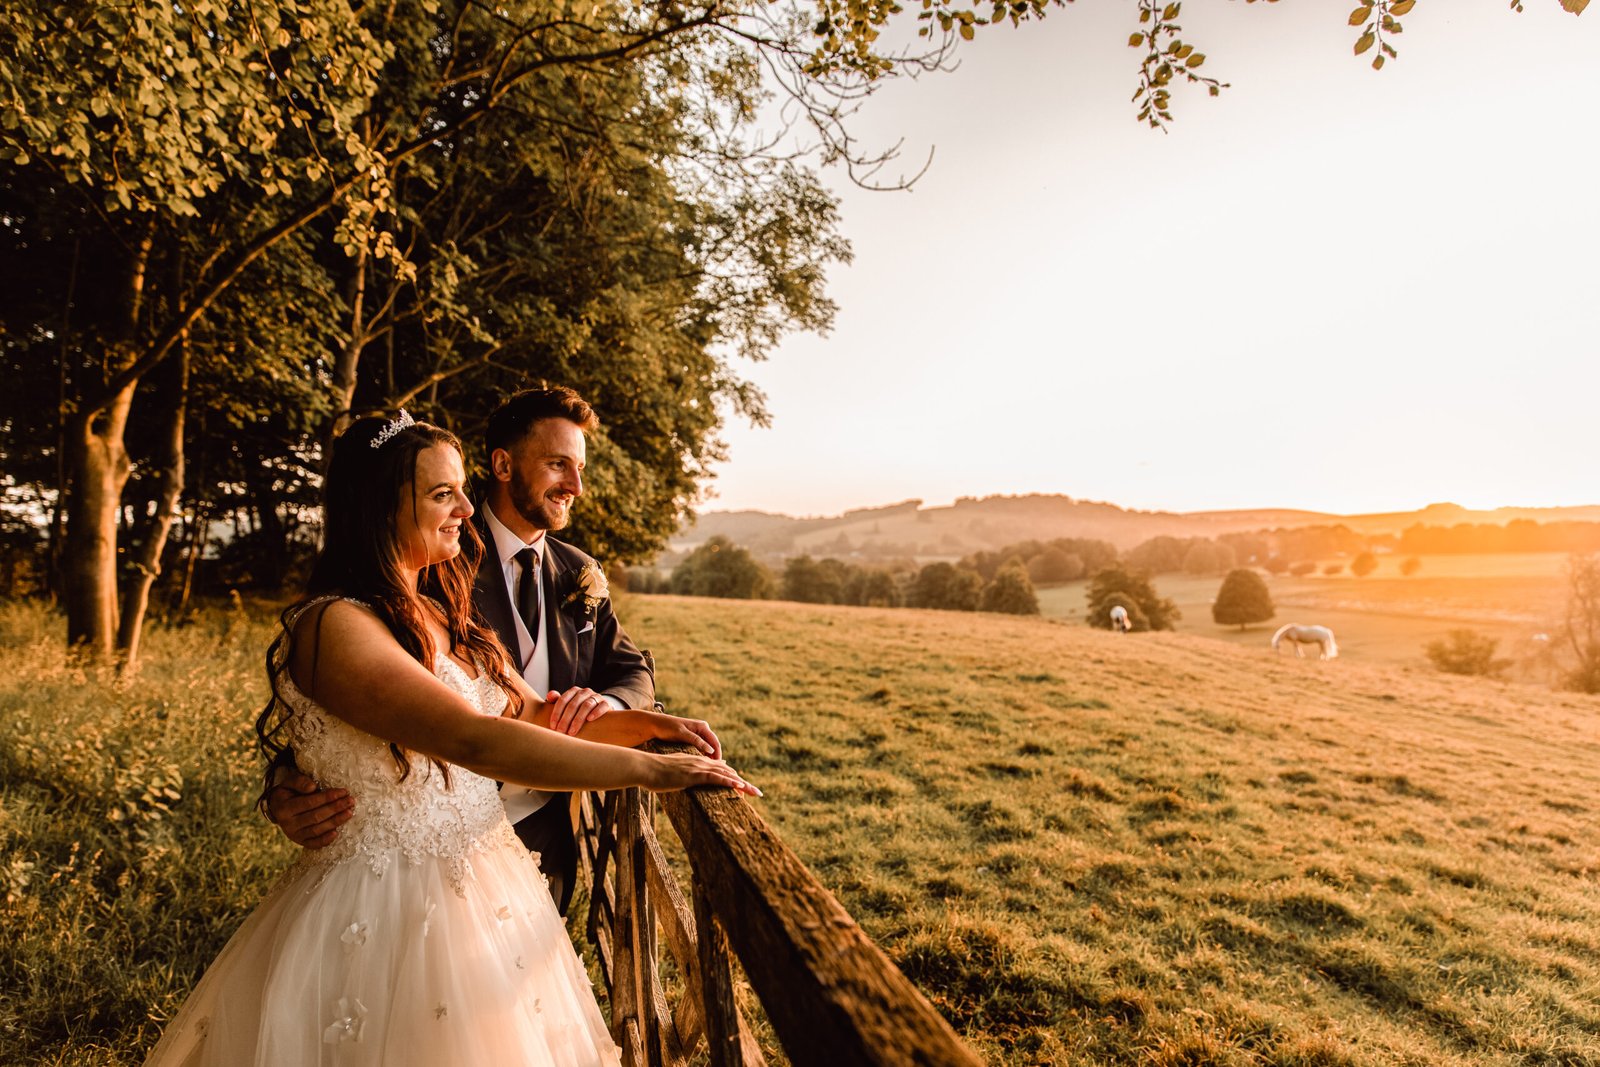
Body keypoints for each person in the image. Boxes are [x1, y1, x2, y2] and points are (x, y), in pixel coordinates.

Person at [144, 413, 757, 1066]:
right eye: (443, 493)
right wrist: (649, 771)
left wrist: (658, 726)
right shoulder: (335, 625)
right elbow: (477, 739)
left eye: (461, 489)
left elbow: (537, 713)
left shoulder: (442, 613)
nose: (466, 507)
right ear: (380, 505)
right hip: (383, 910)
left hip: (490, 887)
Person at [270, 388, 651, 915]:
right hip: (412, 856)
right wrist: (287, 779)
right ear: (501, 463)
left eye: (579, 466)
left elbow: (630, 668)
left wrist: (617, 709)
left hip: (539, 836)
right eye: (558, 463)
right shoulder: (430, 554)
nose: (575, 485)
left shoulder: (578, 570)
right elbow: (347, 694)